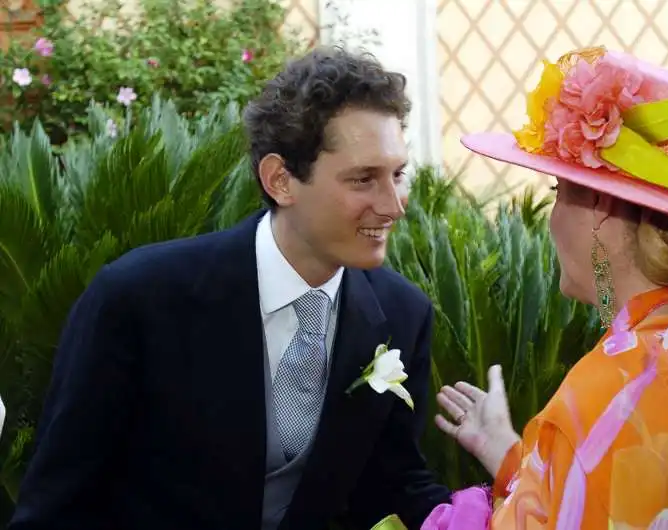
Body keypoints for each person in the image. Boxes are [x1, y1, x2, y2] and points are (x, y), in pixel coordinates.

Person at [9, 46, 450, 530]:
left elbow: (393, 483)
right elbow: (56, 504)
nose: (394, 205)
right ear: (280, 180)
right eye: (364, 179)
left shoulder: (402, 314)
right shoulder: (139, 299)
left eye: (398, 174)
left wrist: (508, 492)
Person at [421, 46, 668, 529]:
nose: (552, 221)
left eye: (559, 191)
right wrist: (509, 452)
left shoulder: (622, 379)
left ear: (600, 204)